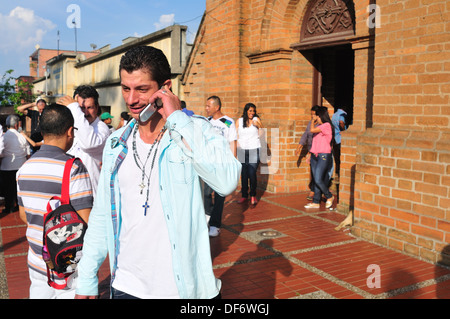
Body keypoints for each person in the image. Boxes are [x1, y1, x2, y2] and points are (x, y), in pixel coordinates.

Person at [75, 46, 241, 299]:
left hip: (182, 289)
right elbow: (102, 214)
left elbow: (226, 182)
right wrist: (86, 276)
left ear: (165, 87)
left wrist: (177, 118)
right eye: (126, 88)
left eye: (142, 89)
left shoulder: (196, 131)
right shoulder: (116, 142)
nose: (131, 100)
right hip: (125, 285)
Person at [17, 103, 93, 299]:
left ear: (42, 131)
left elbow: (24, 216)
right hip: (67, 266)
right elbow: (86, 223)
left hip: (36, 259)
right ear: (70, 131)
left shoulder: (24, 169)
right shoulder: (74, 168)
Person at [58, 85, 111, 196]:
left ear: (97, 107)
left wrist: (74, 107)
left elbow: (88, 143)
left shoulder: (102, 129)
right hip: (69, 194)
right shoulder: (70, 128)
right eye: (81, 108)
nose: (85, 113)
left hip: (92, 197)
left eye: (90, 107)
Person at [204, 95, 237, 237]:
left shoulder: (228, 122)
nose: (206, 109)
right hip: (207, 162)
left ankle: (215, 224)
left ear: (217, 107)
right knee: (205, 193)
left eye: (208, 106)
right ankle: (208, 215)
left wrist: (232, 161)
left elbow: (232, 141)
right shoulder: (206, 121)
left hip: (222, 163)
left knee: (219, 195)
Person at [304, 106, 334, 209]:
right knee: (316, 179)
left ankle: (329, 196)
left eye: (316, 115)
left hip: (323, 155)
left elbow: (311, 129)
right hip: (315, 155)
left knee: (318, 178)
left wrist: (313, 120)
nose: (314, 117)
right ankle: (316, 202)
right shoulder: (319, 126)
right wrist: (310, 154)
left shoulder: (326, 125)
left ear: (321, 116)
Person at [0, 115, 30, 214]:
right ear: (17, 125)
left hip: (6, 165)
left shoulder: (3, 137)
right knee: (18, 189)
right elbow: (28, 153)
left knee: (8, 189)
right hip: (20, 165)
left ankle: (8, 207)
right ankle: (19, 206)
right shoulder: (22, 136)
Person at [236, 103, 262, 205]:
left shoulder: (256, 120)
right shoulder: (239, 121)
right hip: (242, 150)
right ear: (246, 111)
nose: (252, 113)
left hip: (254, 149)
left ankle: (253, 195)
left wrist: (258, 125)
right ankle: (244, 195)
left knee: (251, 173)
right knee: (244, 174)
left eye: (253, 111)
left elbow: (262, 133)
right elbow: (234, 132)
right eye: (250, 111)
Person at [295, 105, 320, 201]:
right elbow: (305, 135)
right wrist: (299, 147)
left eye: (314, 114)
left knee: (318, 172)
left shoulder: (322, 124)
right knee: (314, 172)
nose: (312, 116)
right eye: (311, 114)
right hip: (312, 151)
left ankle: (315, 191)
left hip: (319, 151)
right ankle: (315, 190)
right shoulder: (310, 123)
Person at [331, 106, 347, 184]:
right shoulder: (342, 114)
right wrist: (344, 130)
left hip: (335, 138)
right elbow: (341, 122)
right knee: (341, 158)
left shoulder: (334, 114)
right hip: (340, 138)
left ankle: (337, 174)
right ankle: (340, 175)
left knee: (337, 158)